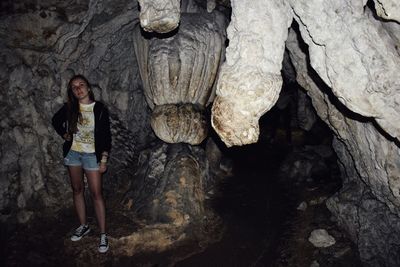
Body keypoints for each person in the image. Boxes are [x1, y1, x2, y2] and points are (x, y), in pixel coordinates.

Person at [52, 74, 111, 253]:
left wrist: (104, 159)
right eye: (74, 87)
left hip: (92, 155)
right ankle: (83, 225)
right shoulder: (70, 107)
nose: (78, 88)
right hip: (74, 154)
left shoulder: (99, 108)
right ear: (72, 91)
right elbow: (55, 121)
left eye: (81, 84)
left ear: (88, 87)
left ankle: (103, 234)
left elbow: (106, 136)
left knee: (96, 193)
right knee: (77, 190)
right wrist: (64, 134)